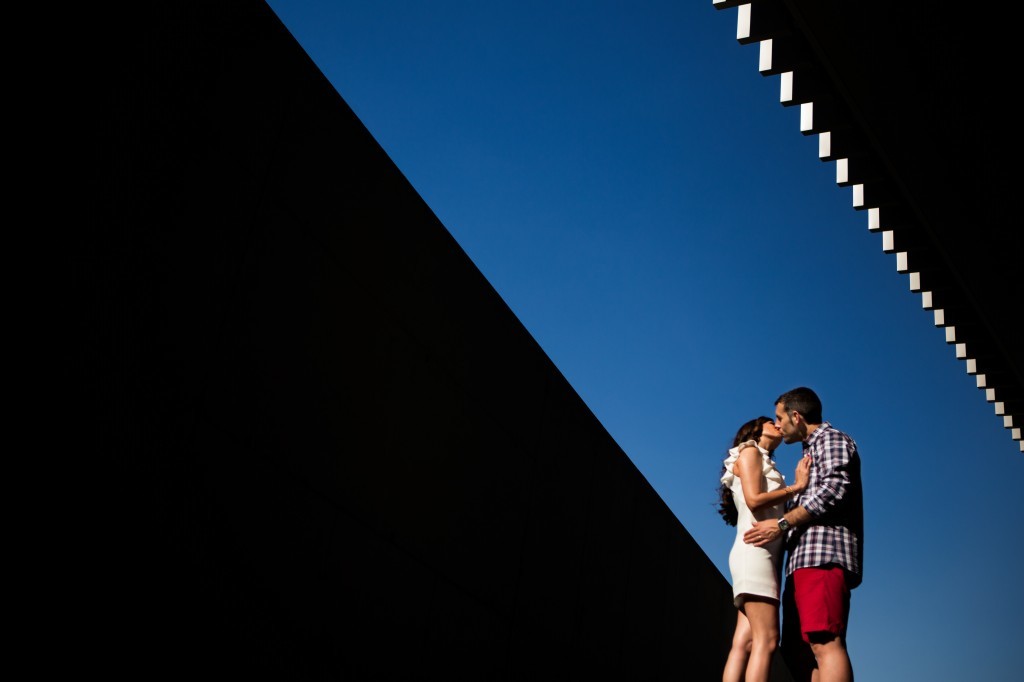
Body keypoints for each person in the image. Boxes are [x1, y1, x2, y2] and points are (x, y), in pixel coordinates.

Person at [743, 387, 863, 682]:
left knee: (824, 642)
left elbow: (834, 490)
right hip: (801, 563)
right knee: (801, 654)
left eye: (779, 418)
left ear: (796, 417)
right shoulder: (808, 454)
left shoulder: (832, 439)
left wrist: (782, 524)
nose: (779, 425)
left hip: (822, 557)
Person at [719, 416, 811, 682]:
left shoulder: (764, 460)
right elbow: (754, 500)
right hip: (755, 553)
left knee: (745, 643)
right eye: (772, 422)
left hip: (762, 556)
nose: (778, 425)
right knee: (768, 639)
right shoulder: (749, 452)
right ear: (757, 429)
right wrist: (797, 487)